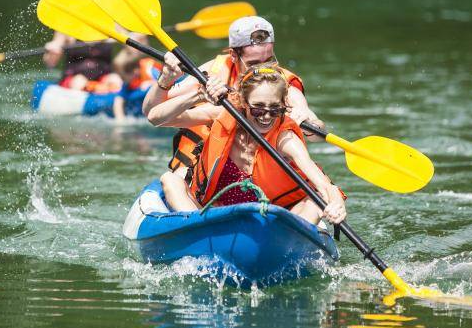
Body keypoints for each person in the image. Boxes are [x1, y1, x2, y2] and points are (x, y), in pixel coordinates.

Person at [147, 65, 346, 226]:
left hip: (271, 223)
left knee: (316, 201)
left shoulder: (285, 138)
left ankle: (288, 245)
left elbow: (322, 183)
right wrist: (198, 95)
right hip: (213, 217)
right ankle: (197, 232)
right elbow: (155, 118)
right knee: (170, 179)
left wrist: (336, 204)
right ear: (243, 102)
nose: (266, 116)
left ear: (283, 105)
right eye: (258, 108)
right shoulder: (224, 114)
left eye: (274, 109)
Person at [142, 16, 326, 178]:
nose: (262, 70)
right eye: (253, 63)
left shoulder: (281, 82)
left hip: (260, 169)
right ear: (233, 55)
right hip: (207, 164)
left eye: (269, 61)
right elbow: (152, 112)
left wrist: (309, 124)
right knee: (176, 177)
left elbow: (315, 131)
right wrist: (165, 81)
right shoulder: (212, 72)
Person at [43, 31, 123, 93]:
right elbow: (50, 63)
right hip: (74, 79)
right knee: (79, 81)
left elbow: (127, 43)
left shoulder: (112, 24)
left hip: (102, 78)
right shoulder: (67, 25)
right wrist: (52, 52)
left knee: (115, 79)